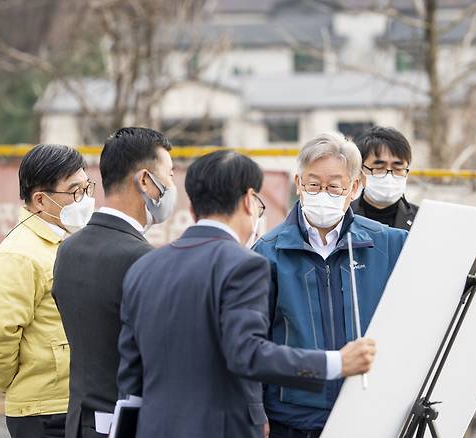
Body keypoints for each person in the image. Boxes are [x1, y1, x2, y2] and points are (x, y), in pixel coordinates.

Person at [117, 150, 377, 438]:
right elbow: (247, 353)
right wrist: (337, 363)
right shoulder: (244, 264)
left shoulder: (145, 267)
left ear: (192, 209)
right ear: (248, 201)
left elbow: (130, 374)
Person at [253, 132, 408, 437]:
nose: (322, 193)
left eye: (334, 186)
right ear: (298, 184)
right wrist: (255, 410)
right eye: (313, 184)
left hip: (368, 414)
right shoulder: (268, 252)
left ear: (354, 187)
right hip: (293, 420)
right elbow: (251, 342)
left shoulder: (389, 244)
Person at [52, 127, 175, 438]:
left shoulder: (67, 249)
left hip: (80, 423)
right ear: (145, 180)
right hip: (128, 424)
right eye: (170, 174)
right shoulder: (144, 259)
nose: (173, 186)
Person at [0, 144, 94, 438]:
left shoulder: (62, 242)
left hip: (66, 402)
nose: (85, 200)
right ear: (40, 200)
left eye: (87, 188)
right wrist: (17, 382)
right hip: (42, 411)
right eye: (75, 191)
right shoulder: (18, 255)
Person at [352, 126, 419, 231]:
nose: (389, 175)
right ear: (360, 171)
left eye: (398, 168)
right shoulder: (343, 217)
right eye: (379, 168)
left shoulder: (421, 218)